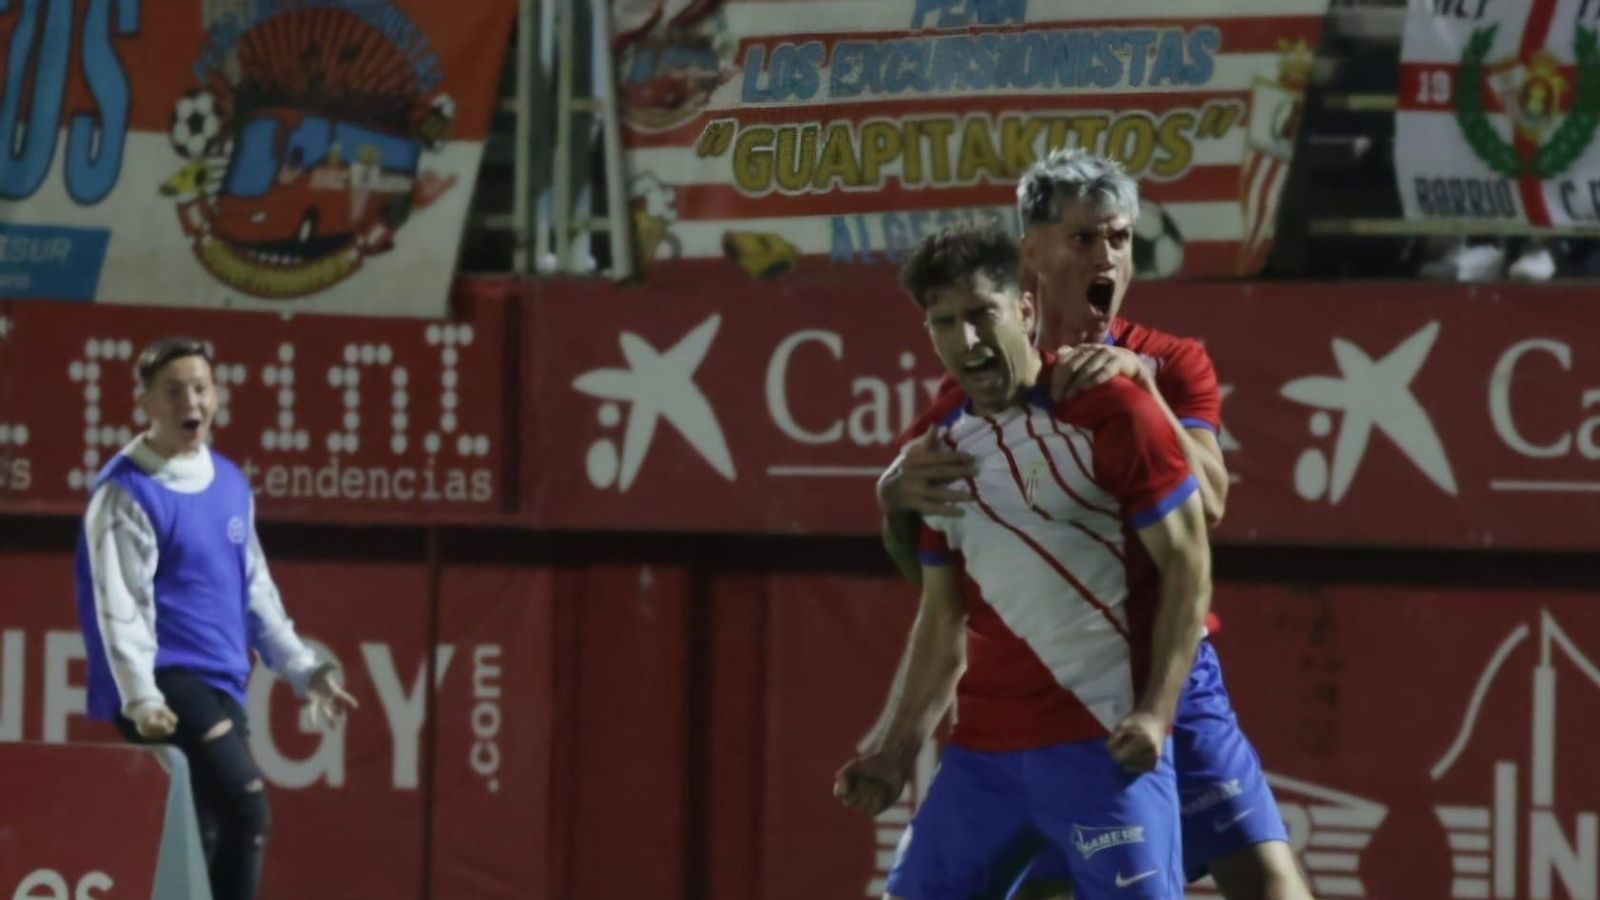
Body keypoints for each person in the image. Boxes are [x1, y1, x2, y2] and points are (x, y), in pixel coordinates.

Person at [875, 150, 1310, 900]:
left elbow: (1208, 504)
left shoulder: (1164, 365)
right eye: (1084, 240)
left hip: (1167, 673)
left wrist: (1145, 394)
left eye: (1119, 238)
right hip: (1039, 700)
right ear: (1030, 255)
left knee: (1267, 881)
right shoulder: (972, 394)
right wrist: (891, 495)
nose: (1106, 257)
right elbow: (946, 577)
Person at [835, 221, 1211, 899]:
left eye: (983, 315)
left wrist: (1157, 711)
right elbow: (942, 615)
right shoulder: (933, 448)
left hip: (1104, 750)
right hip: (984, 764)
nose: (969, 341)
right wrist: (895, 750)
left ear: (1027, 310)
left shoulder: (1112, 409)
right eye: (946, 323)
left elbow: (1188, 562)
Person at [74, 336, 358, 900]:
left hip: (223, 680)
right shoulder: (125, 494)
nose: (190, 402)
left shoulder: (229, 482)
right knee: (248, 805)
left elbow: (254, 590)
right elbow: (119, 605)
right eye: (173, 391)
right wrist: (142, 696)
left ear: (217, 397)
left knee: (207, 831)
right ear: (146, 404)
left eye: (200, 389)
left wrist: (305, 671)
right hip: (164, 679)